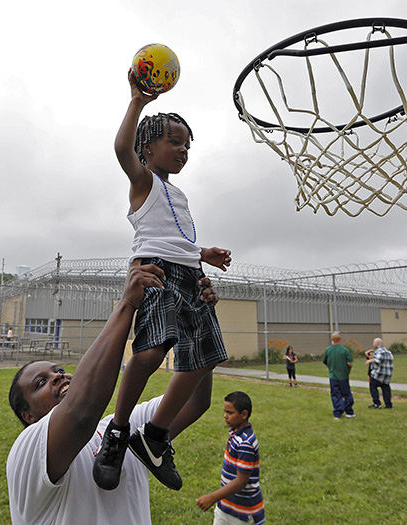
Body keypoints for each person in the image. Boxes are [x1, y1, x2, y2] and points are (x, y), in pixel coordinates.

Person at [93, 69, 231, 492]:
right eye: (174, 141)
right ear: (148, 148)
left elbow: (176, 236)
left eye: (187, 143)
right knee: (151, 352)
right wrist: (138, 102)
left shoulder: (180, 195)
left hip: (190, 275)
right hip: (156, 272)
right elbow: (120, 148)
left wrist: (200, 253)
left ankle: (153, 435)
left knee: (204, 359)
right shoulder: (144, 181)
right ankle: (117, 432)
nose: (183, 149)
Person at [6, 263, 220, 524]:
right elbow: (81, 411)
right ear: (28, 415)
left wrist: (195, 317)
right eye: (41, 382)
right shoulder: (28, 450)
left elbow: (195, 401)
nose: (58, 376)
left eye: (59, 370)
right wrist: (126, 305)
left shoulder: (118, 429)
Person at [196, 391, 265, 525]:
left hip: (242, 513)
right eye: (225, 411)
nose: (225, 416)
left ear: (244, 414)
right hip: (226, 507)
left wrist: (212, 497)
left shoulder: (245, 443)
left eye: (230, 413)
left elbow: (241, 481)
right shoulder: (235, 433)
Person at [322, 332, 355, 419]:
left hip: (333, 376)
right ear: (340, 339)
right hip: (344, 376)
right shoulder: (345, 350)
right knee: (347, 394)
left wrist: (331, 368)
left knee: (335, 394)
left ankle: (338, 413)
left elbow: (325, 361)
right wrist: (348, 370)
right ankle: (349, 412)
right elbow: (350, 363)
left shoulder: (328, 350)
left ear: (332, 339)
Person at [366, 337, 394, 409]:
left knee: (373, 386)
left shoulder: (379, 351)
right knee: (386, 388)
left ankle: (377, 403)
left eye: (374, 343)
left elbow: (378, 359)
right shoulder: (389, 352)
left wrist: (370, 361)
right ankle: (388, 405)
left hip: (379, 374)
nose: (373, 344)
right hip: (387, 375)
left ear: (378, 343)